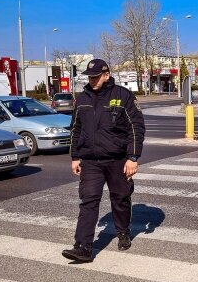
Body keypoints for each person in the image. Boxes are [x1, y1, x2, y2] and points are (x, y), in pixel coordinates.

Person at [62, 59, 146, 262]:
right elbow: (75, 129)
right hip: (90, 161)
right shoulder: (82, 98)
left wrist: (132, 157)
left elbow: (136, 127)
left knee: (120, 198)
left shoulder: (122, 95)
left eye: (96, 76)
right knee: (88, 200)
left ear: (107, 74)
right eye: (90, 77)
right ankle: (83, 247)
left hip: (117, 160)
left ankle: (123, 232)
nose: (92, 80)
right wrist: (75, 157)